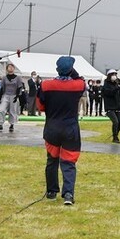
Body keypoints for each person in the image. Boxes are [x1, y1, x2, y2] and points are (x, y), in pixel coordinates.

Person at [37, 56, 85, 205]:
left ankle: (51, 191)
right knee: (69, 162)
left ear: (57, 69)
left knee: (52, 160)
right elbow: (80, 80)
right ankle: (68, 194)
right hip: (70, 129)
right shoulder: (78, 85)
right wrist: (72, 71)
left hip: (52, 128)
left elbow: (40, 106)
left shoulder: (45, 85)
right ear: (71, 70)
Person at [0, 63, 25, 133]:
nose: (10, 68)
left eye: (12, 67)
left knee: (12, 111)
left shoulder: (18, 78)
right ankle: (0, 124)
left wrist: (17, 96)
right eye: (9, 67)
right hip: (5, 95)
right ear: (7, 69)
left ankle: (12, 124)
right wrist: (0, 97)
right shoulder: (4, 78)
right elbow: (1, 88)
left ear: (14, 68)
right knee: (1, 109)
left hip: (14, 95)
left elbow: (20, 87)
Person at [102, 70, 120, 143]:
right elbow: (109, 93)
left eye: (115, 74)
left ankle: (115, 135)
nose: (114, 76)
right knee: (115, 122)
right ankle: (115, 137)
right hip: (110, 107)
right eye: (113, 74)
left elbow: (119, 96)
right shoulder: (106, 85)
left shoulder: (116, 84)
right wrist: (116, 89)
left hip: (117, 106)